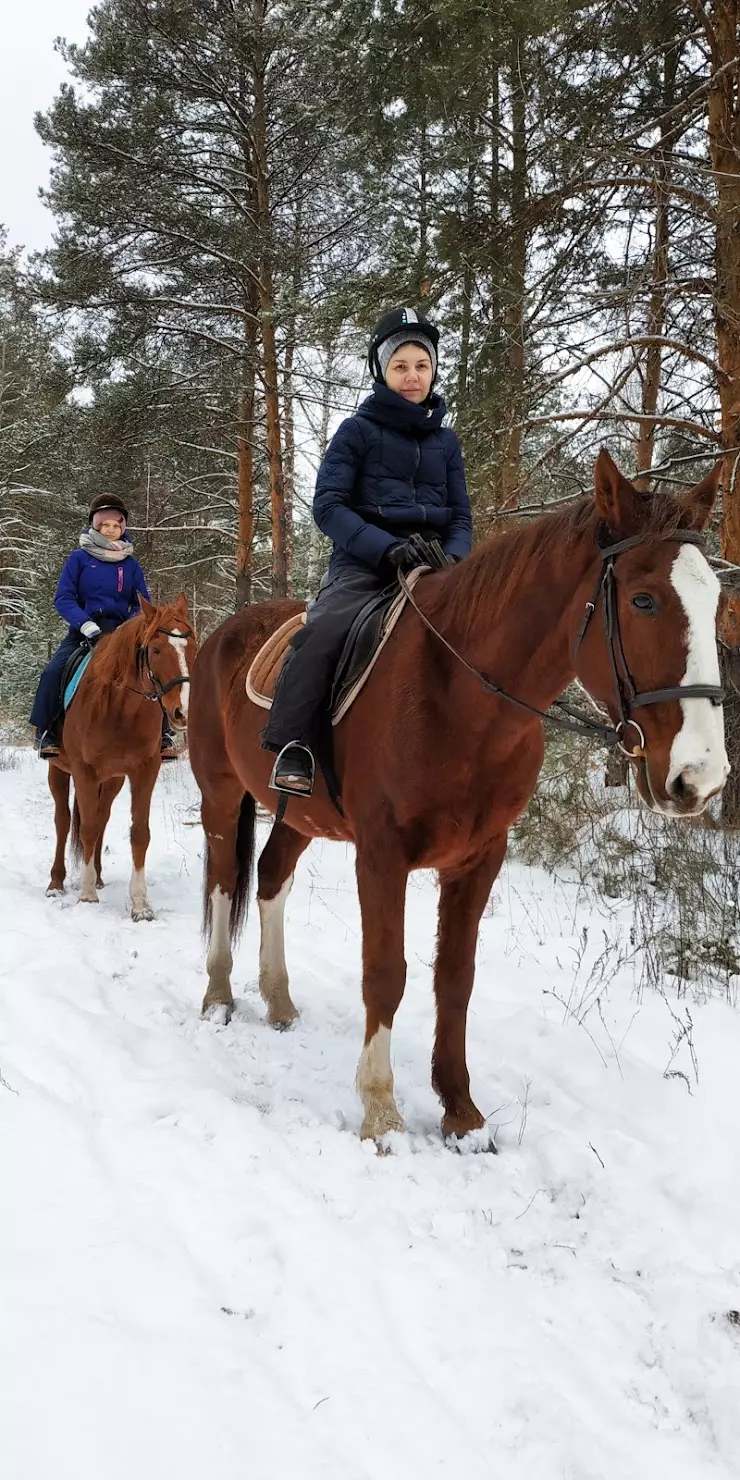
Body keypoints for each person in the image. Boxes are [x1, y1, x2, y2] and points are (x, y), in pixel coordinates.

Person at [261, 307, 473, 796]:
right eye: (400, 366)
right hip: (364, 564)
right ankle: (295, 744)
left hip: (438, 565)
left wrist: (457, 561)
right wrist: (386, 549)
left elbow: (461, 516)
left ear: (434, 369)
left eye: (422, 364)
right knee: (325, 629)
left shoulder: (447, 442)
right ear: (381, 371)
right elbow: (329, 507)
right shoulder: (355, 433)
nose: (412, 375)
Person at [29, 494, 178, 761]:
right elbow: (63, 597)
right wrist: (84, 623)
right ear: (95, 526)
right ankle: (47, 731)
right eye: (105, 524)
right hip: (84, 631)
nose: (111, 529)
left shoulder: (130, 564)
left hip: (124, 633)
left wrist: (132, 625)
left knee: (153, 669)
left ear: (123, 528)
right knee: (53, 672)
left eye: (117, 525)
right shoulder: (79, 559)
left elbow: (142, 602)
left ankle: (163, 735)